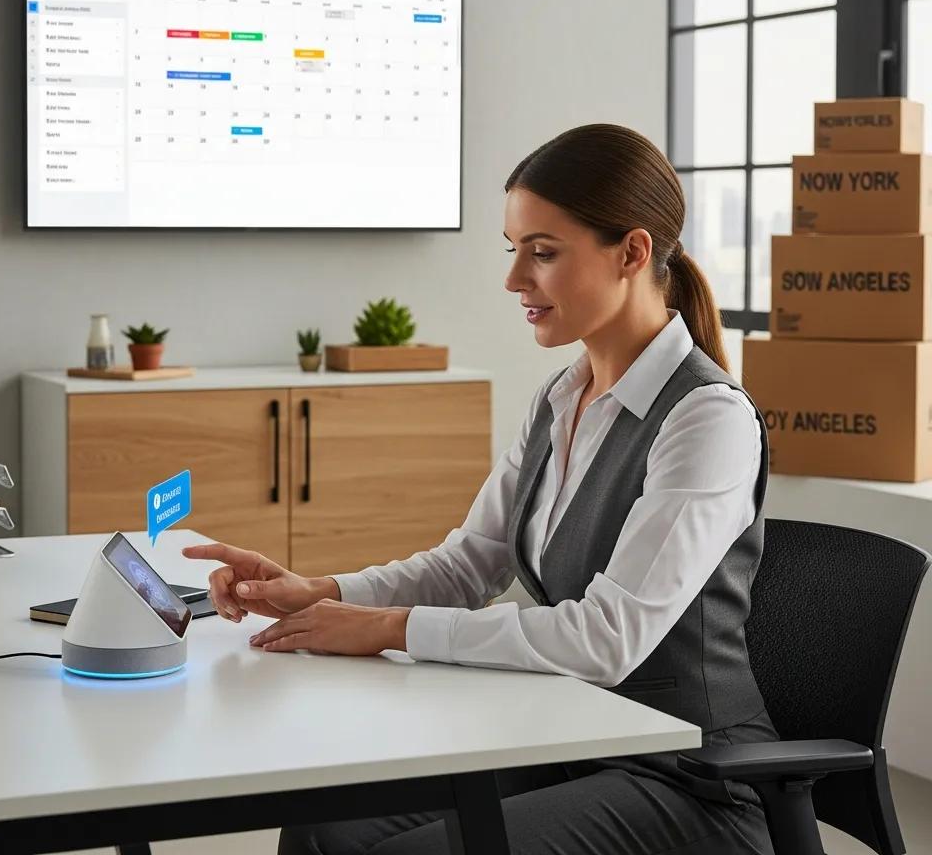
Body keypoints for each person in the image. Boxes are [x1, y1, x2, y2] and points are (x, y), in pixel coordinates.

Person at [183, 123, 778, 854]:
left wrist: (391, 629)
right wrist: (325, 593)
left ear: (632, 252)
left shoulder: (707, 419)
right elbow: (470, 563)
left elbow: (607, 638)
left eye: (544, 253)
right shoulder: (562, 398)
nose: (514, 279)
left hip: (687, 780)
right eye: (514, 250)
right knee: (323, 828)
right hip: (568, 744)